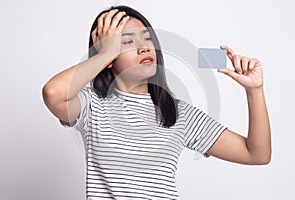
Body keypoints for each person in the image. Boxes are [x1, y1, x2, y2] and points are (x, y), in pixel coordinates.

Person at [42, 5, 271, 200]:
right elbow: (53, 93)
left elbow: (257, 154)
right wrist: (104, 54)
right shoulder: (91, 106)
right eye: (127, 42)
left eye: (148, 38)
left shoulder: (179, 113)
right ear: (108, 58)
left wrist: (255, 90)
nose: (143, 47)